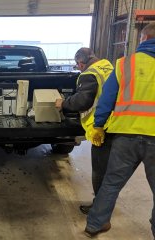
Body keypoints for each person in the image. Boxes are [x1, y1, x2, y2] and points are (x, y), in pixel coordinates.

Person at [85, 22, 155, 238]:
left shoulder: (125, 64)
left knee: (111, 182)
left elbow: (107, 98)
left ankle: (95, 225)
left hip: (124, 136)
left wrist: (98, 125)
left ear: (142, 39)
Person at [55, 47, 114, 215]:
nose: (78, 68)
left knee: (100, 172)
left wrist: (64, 104)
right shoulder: (108, 66)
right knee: (111, 171)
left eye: (78, 65)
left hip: (102, 128)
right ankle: (103, 206)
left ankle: (100, 209)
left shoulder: (89, 74)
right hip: (118, 123)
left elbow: (82, 101)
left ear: (81, 63)